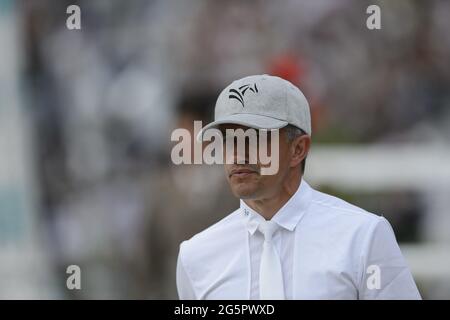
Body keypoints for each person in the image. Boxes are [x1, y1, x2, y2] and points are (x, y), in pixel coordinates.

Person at [176, 74, 421, 299]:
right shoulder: (196, 255)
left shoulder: (363, 237)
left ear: (298, 149)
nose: (238, 155)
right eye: (229, 141)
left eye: (255, 138)